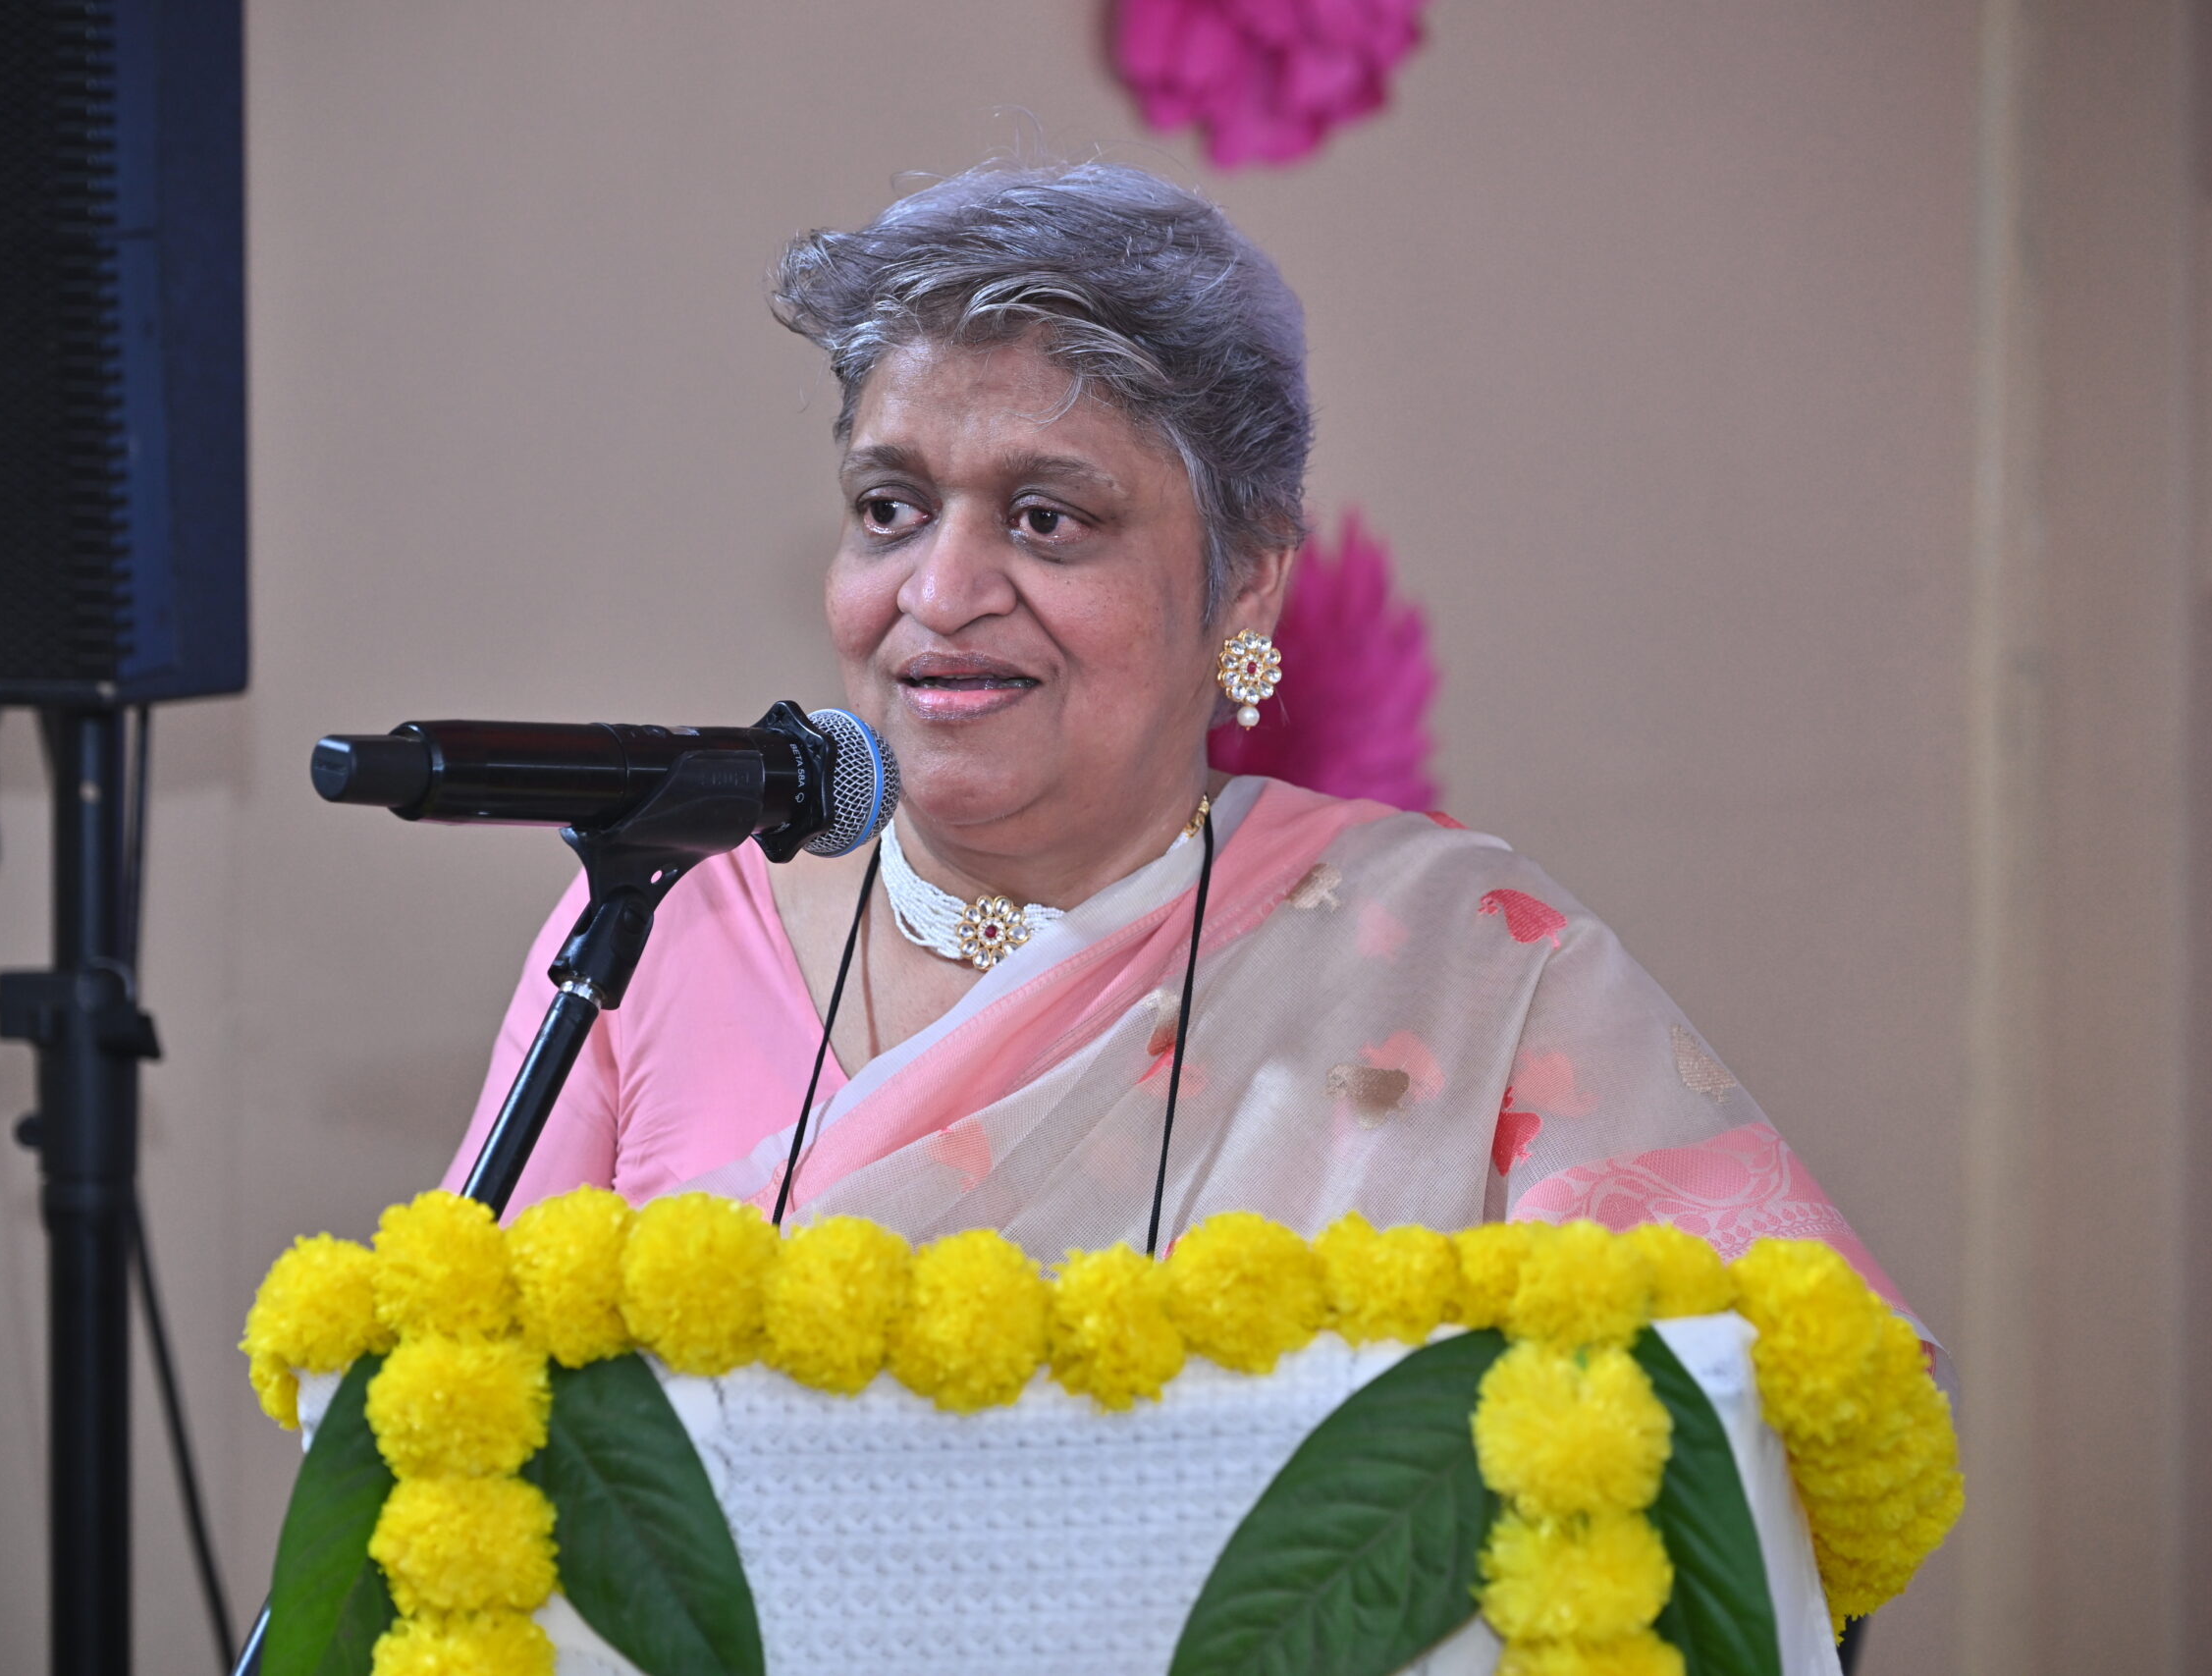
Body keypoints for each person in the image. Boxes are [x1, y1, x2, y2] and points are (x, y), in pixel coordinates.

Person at [442, 161, 1923, 1335]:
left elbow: (1764, 1437)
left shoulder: (1458, 959)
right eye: (891, 508)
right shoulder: (661, 924)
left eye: (1047, 519)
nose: (938, 593)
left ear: (1247, 581)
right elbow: (462, 1430)